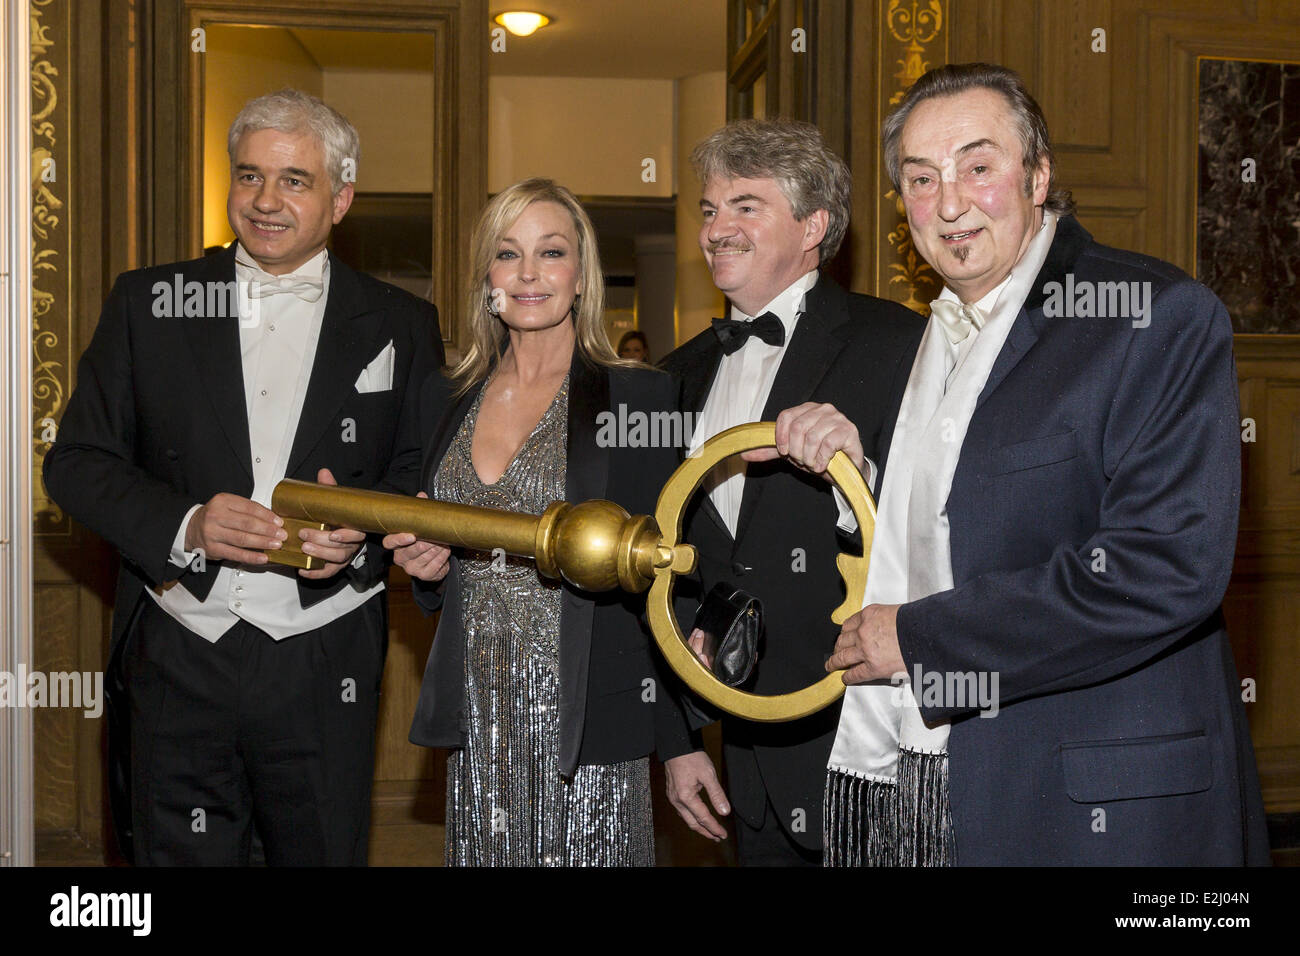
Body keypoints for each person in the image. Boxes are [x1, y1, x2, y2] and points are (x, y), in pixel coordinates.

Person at [779, 62, 1269, 865]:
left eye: (978, 167)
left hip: (1099, 809)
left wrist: (919, 637)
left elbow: (1165, 568)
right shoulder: (928, 338)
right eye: (921, 179)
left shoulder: (1151, 315)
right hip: (934, 785)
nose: (950, 202)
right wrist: (858, 482)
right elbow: (956, 522)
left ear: (1039, 177)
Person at [42, 89, 443, 865]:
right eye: (249, 175)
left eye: (295, 179)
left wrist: (361, 535)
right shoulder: (147, 302)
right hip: (180, 647)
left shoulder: (402, 323)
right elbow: (77, 463)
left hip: (325, 654)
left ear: (342, 198)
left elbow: (415, 473)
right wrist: (187, 524)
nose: (265, 200)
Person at [388, 178, 701, 866]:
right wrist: (427, 571)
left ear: (582, 276)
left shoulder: (639, 395)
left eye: (551, 252)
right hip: (479, 718)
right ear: (486, 277)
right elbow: (437, 554)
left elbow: (664, 579)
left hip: (591, 724)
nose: (528, 274)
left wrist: (681, 745)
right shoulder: (445, 396)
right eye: (508, 254)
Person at [658, 119, 922, 865]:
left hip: (868, 741)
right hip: (742, 751)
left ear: (814, 226)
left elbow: (943, 535)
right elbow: (663, 564)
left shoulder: (899, 344)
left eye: (746, 206)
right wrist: (678, 738)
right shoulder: (673, 376)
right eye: (709, 211)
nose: (717, 229)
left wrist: (854, 481)